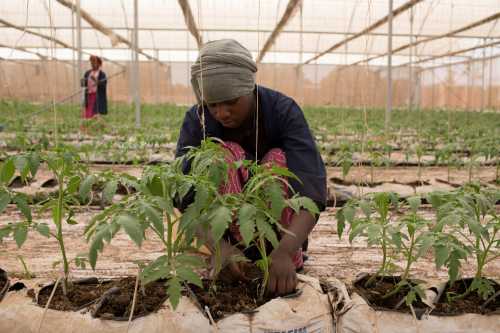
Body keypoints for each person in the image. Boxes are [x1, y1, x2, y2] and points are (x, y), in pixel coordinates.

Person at [175, 39, 326, 296]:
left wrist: (284, 252)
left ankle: (277, 257)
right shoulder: (198, 119)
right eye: (213, 104)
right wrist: (219, 248)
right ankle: (232, 255)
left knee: (278, 160)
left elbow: (311, 191)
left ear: (249, 88)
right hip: (224, 238)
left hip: (281, 237)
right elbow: (184, 195)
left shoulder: (283, 111)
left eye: (231, 101)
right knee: (220, 155)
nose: (221, 113)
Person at [81, 55, 107, 119]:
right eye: (92, 62)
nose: (93, 64)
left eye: (94, 62)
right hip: (88, 95)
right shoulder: (87, 73)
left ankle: (95, 127)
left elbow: (103, 84)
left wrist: (95, 80)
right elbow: (83, 85)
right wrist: (83, 81)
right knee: (87, 113)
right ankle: (87, 126)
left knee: (95, 113)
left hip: (96, 96)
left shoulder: (102, 74)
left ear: (99, 64)